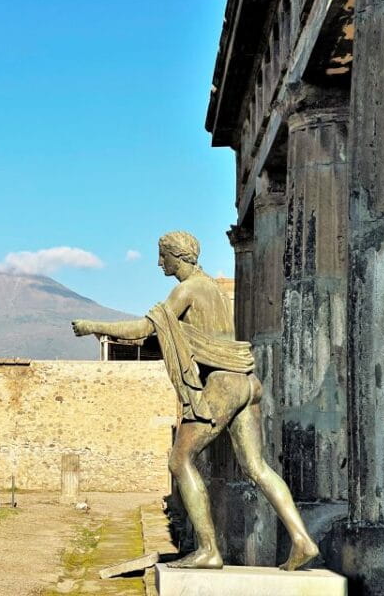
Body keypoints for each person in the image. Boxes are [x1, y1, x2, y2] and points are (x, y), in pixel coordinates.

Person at [71, 231, 318, 571]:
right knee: (256, 467)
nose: (160, 263)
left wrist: (92, 326)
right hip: (247, 381)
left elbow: (145, 329)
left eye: (163, 256)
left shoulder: (187, 290)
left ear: (179, 256)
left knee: (180, 460)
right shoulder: (213, 289)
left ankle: (208, 549)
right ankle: (302, 539)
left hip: (222, 383)